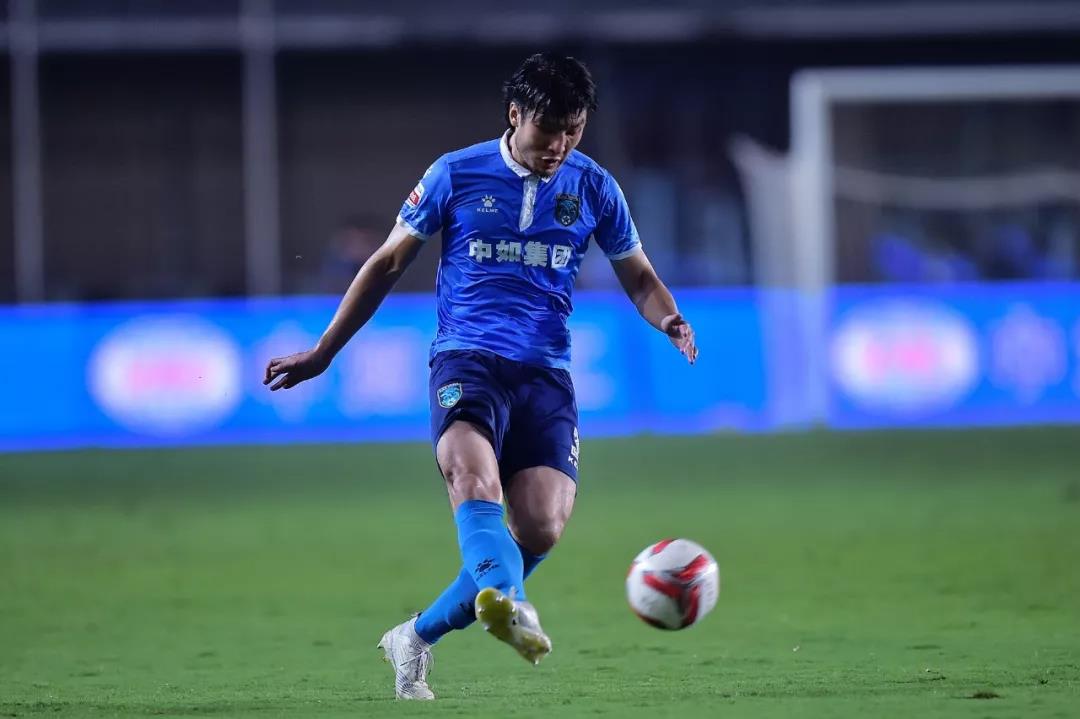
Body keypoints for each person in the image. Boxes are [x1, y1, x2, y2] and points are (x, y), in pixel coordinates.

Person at [263, 52, 698, 700]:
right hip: (466, 358)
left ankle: (415, 636)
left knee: (540, 527)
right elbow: (386, 262)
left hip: (546, 373)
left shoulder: (595, 187)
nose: (560, 145)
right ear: (515, 114)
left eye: (574, 130)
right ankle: (513, 604)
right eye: (548, 130)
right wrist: (325, 351)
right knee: (473, 478)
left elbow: (637, 274)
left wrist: (669, 318)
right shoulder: (455, 173)